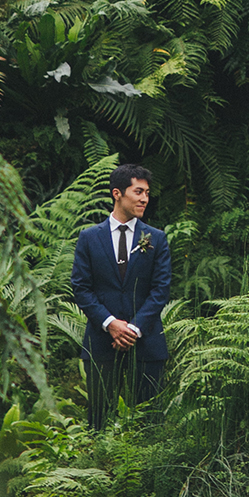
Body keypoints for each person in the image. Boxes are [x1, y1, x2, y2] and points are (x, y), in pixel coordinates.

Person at [71, 163, 172, 431]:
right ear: (117, 193)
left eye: (147, 193)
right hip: (102, 341)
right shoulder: (89, 238)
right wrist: (110, 323)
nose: (144, 199)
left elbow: (161, 289)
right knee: (99, 423)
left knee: (149, 424)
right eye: (138, 192)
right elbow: (81, 287)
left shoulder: (156, 239)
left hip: (147, 342)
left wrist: (134, 329)